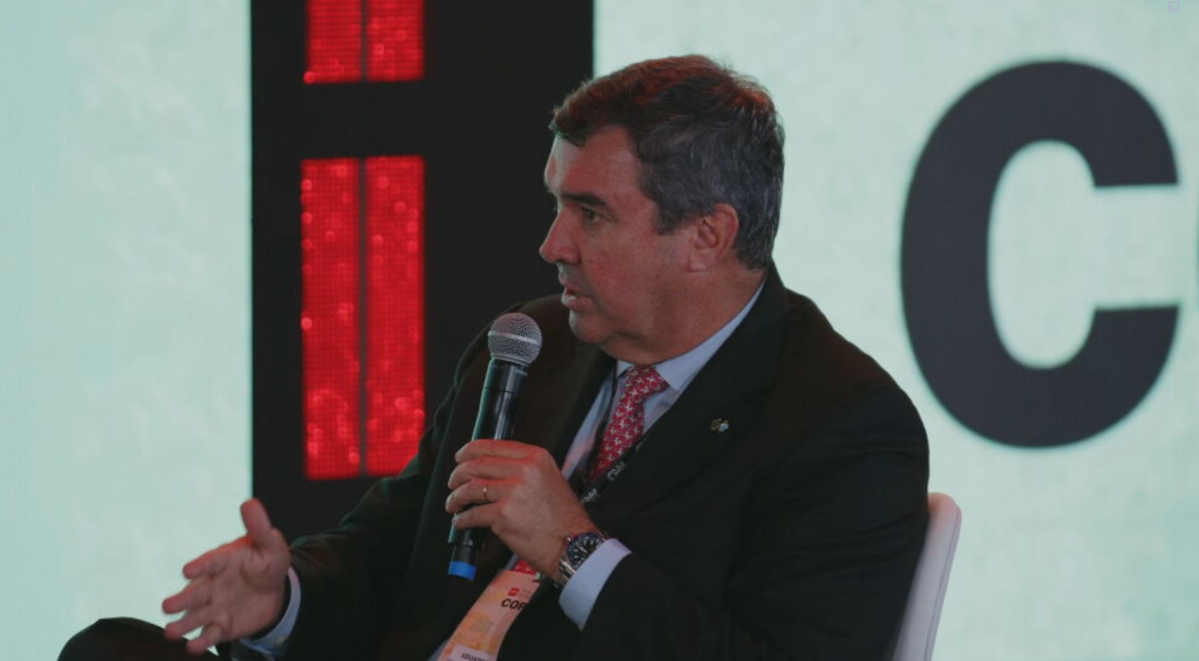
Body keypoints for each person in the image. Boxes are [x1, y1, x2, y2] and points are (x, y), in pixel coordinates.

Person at [62, 55, 928, 661]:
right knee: (110, 650)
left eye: (591, 214)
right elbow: (390, 550)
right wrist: (282, 600)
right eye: (556, 205)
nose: (551, 244)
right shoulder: (532, 345)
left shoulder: (839, 423)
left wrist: (574, 549)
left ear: (706, 235)